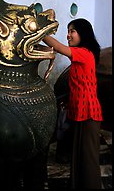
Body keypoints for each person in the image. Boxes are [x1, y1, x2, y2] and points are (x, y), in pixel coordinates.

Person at [43, 18, 103, 189]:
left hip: (89, 114)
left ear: (82, 34)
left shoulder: (84, 53)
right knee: (78, 156)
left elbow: (60, 48)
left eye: (72, 31)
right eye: (68, 31)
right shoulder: (80, 54)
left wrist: (39, 32)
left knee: (88, 160)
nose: (68, 35)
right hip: (80, 112)